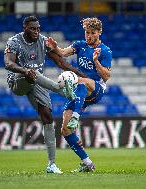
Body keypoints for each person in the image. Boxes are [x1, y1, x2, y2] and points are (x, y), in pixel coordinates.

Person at [4, 16, 86, 174]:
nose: (36, 31)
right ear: (24, 29)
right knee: (31, 72)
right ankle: (62, 91)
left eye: (38, 28)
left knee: (48, 117)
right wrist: (24, 70)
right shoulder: (14, 41)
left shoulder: (43, 41)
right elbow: (8, 63)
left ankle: (51, 164)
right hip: (18, 81)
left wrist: (81, 75)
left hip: (36, 82)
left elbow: (61, 63)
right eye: (32, 29)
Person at [47, 17, 112, 172]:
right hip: (80, 93)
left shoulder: (105, 51)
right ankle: (88, 163)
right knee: (65, 130)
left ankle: (76, 115)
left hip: (95, 89)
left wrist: (96, 61)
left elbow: (106, 77)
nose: (88, 36)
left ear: (99, 33)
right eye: (87, 32)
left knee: (80, 80)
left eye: (92, 33)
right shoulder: (80, 45)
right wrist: (55, 47)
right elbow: (62, 53)